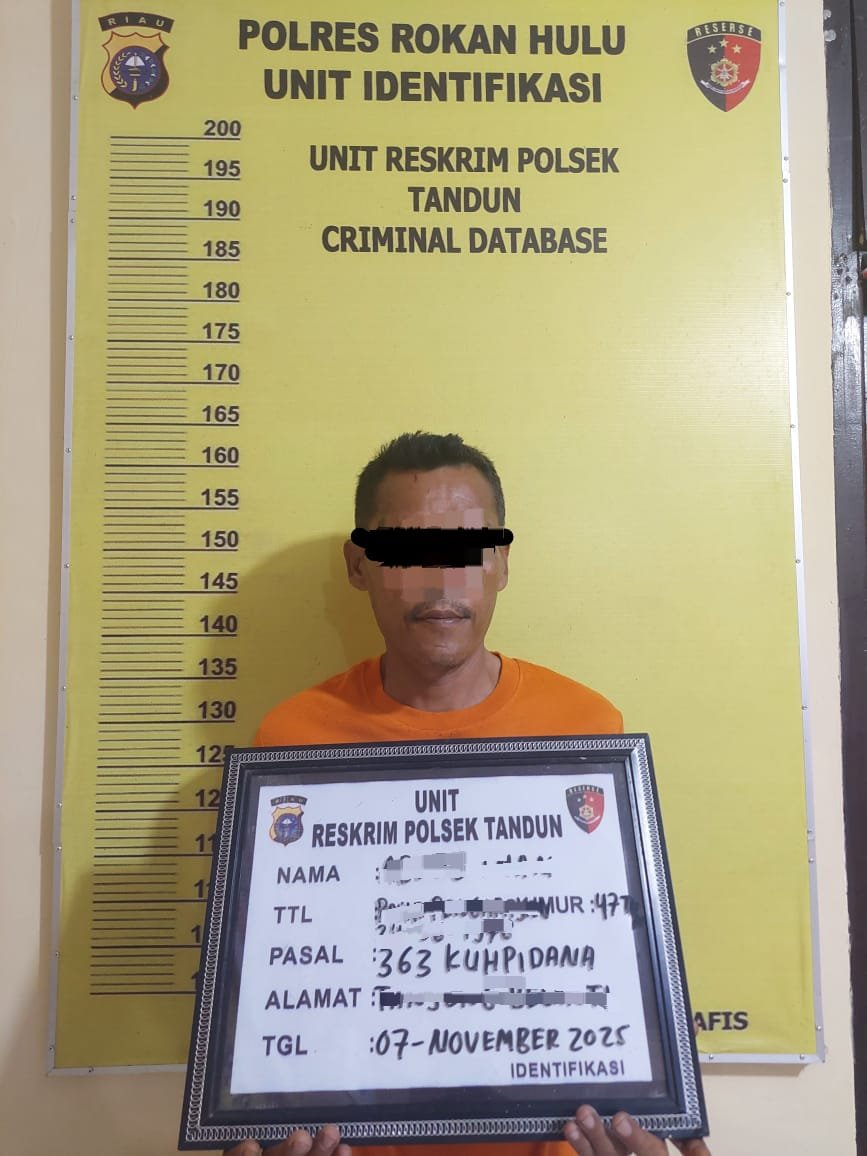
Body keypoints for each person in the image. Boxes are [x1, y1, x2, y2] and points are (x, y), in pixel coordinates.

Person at [228, 433, 711, 1156]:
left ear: (503, 564)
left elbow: (617, 954)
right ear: (358, 566)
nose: (441, 583)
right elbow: (275, 982)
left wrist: (660, 1117)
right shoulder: (292, 739)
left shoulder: (587, 729)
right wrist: (256, 1124)